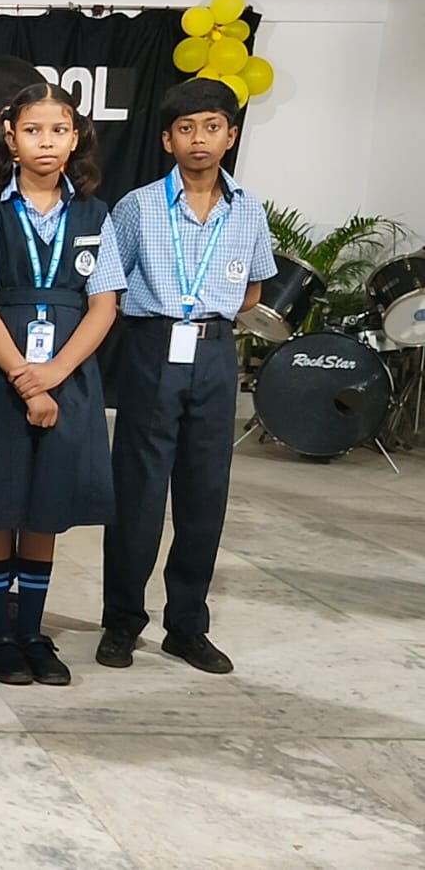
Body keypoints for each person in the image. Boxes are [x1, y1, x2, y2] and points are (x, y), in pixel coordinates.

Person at [0, 82, 124, 687]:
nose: (47, 141)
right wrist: (25, 378)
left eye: (59, 130)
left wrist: (55, 374)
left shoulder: (95, 214)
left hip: (67, 374)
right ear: (11, 139)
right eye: (34, 130)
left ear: (76, 139)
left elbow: (103, 306)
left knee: (46, 503)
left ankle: (33, 631)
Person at [98, 78, 276, 675]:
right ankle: (122, 622)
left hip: (215, 351)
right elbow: (108, 283)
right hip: (152, 347)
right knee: (139, 492)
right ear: (167, 140)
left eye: (212, 127)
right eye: (186, 128)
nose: (199, 138)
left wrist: (207, 314)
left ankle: (187, 626)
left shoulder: (248, 210)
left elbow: (252, 289)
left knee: (204, 492)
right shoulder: (138, 206)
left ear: (230, 135)